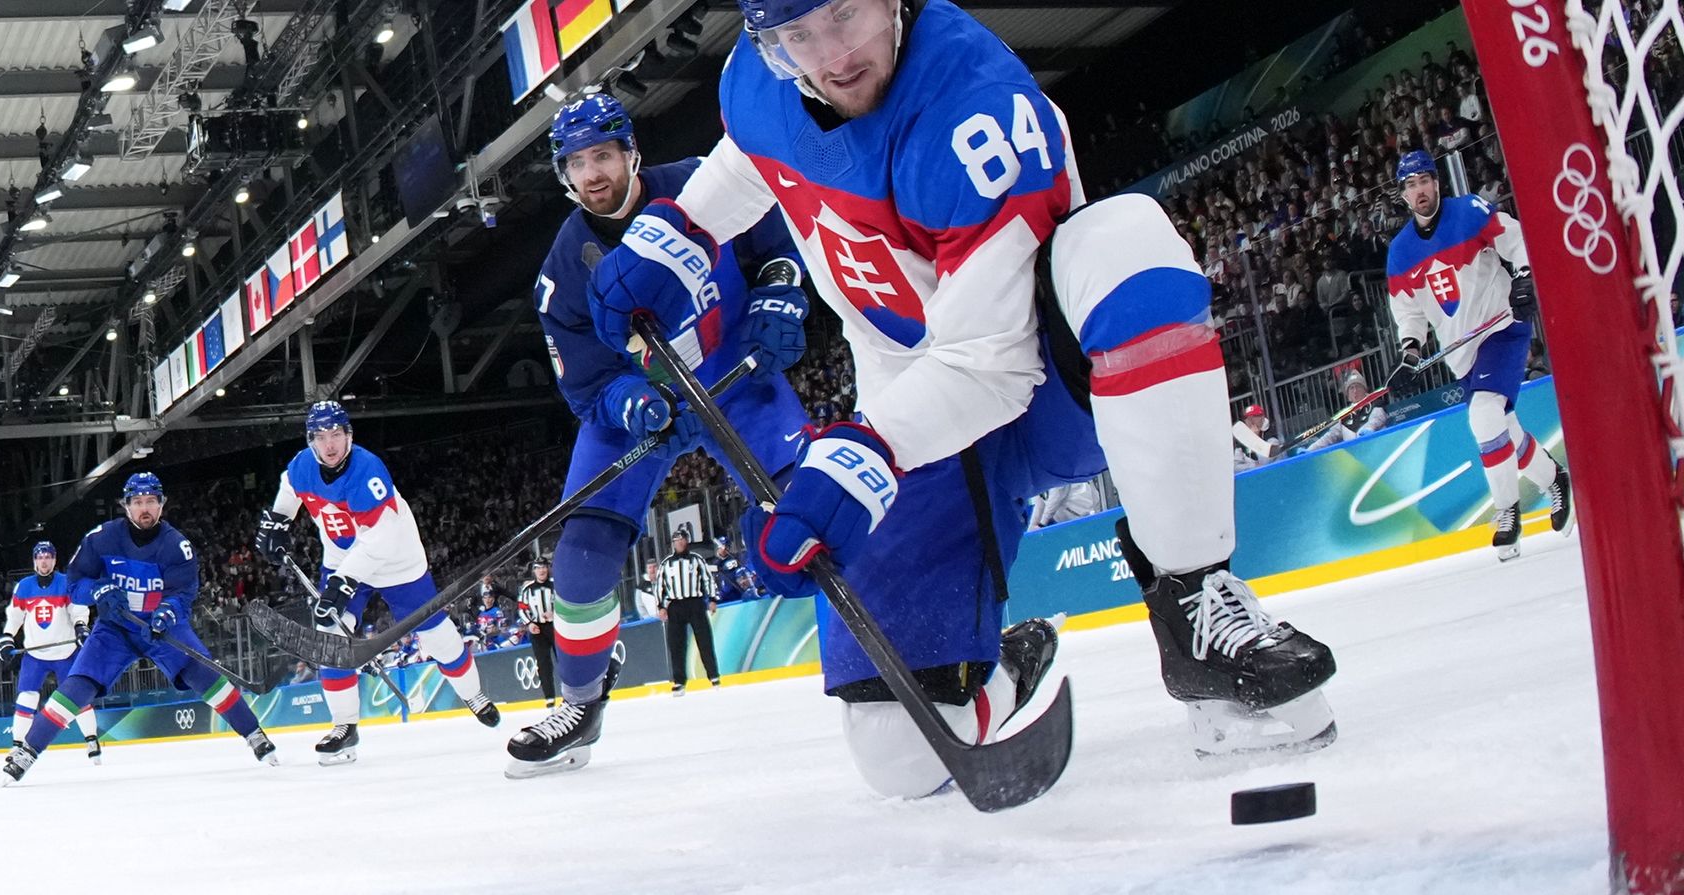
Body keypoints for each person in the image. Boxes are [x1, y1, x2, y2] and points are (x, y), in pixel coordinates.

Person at [585, 0, 1337, 797]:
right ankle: (1000, 661)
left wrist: (861, 457)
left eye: (843, 15)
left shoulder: (976, 107)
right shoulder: (761, 75)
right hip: (916, 413)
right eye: (798, 35)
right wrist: (682, 231)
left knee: (1126, 244)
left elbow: (995, 363)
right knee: (900, 757)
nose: (832, 57)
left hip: (1046, 387)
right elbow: (755, 155)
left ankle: (1196, 606)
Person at [503, 91, 824, 778]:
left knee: (816, 506)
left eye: (603, 155)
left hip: (736, 374)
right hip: (647, 406)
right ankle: (581, 700)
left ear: (630, 153)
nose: (592, 173)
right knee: (582, 552)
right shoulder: (563, 273)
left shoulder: (702, 187)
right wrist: (633, 405)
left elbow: (775, 238)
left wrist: (780, 288)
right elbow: (588, 385)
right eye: (577, 161)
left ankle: (905, 636)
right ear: (563, 173)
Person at [256, 400, 500, 766]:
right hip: (341, 558)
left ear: (349, 435)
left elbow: (379, 540)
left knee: (434, 633)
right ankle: (344, 727)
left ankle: (473, 694)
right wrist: (278, 521)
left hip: (396, 562)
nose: (329, 444)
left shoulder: (368, 470)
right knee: (330, 638)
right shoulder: (303, 466)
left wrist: (343, 583)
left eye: (336, 434)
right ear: (310, 440)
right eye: (321, 437)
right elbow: (290, 489)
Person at [3, 473, 278, 783]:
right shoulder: (101, 538)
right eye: (137, 502)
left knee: (204, 675)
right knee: (78, 686)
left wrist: (167, 611)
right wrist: (99, 591)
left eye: (150, 501)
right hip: (114, 629)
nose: (144, 508)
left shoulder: (177, 545)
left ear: (161, 504)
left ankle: (254, 733)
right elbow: (76, 586)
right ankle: (28, 751)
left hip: (161, 628)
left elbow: (183, 594)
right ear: (126, 505)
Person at [1383, 149, 1574, 560]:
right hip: (1462, 353)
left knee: (1483, 416)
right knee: (1503, 426)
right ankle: (1554, 478)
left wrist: (1524, 276)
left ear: (1437, 183)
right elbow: (1408, 311)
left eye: (1424, 181)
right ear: (1402, 195)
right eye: (1411, 185)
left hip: (1502, 326)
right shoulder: (1399, 252)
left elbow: (1515, 237)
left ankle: (1507, 512)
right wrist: (1409, 352)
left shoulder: (1469, 211)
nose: (1420, 191)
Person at [0, 541, 100, 761]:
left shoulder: (67, 583)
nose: (44, 561)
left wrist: (81, 626)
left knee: (78, 698)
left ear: (54, 559)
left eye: (48, 557)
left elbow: (78, 610)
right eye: (40, 557)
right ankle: (17, 745)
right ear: (35, 561)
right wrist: (7, 637)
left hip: (65, 652)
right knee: (26, 698)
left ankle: (91, 739)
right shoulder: (24, 586)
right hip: (35, 655)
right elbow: (15, 616)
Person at [654, 530, 720, 695]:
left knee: (704, 640)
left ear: (687, 541)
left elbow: (707, 579)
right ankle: (679, 681)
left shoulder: (697, 559)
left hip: (695, 603)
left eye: (683, 540)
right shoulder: (666, 564)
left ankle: (713, 676)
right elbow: (659, 586)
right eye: (677, 540)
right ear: (673, 543)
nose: (680, 543)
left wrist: (712, 599)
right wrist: (660, 606)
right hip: (675, 606)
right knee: (676, 645)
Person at [1308, 370, 1389, 450]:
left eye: (1358, 386)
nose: (1355, 391)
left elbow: (1377, 419)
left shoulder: (1376, 403)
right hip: (1355, 455)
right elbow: (1331, 436)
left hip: (1377, 448)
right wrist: (1311, 449)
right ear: (1348, 396)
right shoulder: (1344, 416)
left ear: (1365, 390)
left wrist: (1368, 429)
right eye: (1351, 388)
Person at [516, 557, 557, 706]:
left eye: (544, 567)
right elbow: (521, 609)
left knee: (564, 661)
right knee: (544, 664)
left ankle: (571, 695)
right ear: (534, 570)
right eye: (538, 567)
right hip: (537, 630)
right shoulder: (527, 589)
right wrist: (530, 623)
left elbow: (566, 604)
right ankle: (550, 698)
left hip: (556, 628)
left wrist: (555, 614)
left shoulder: (556, 585)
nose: (542, 570)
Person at [1232, 405, 1281, 470]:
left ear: (1262, 418)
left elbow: (1265, 462)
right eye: (1247, 418)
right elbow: (1235, 467)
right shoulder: (1242, 442)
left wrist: (1255, 440)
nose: (1250, 421)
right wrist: (1253, 465)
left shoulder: (1272, 438)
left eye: (1253, 417)